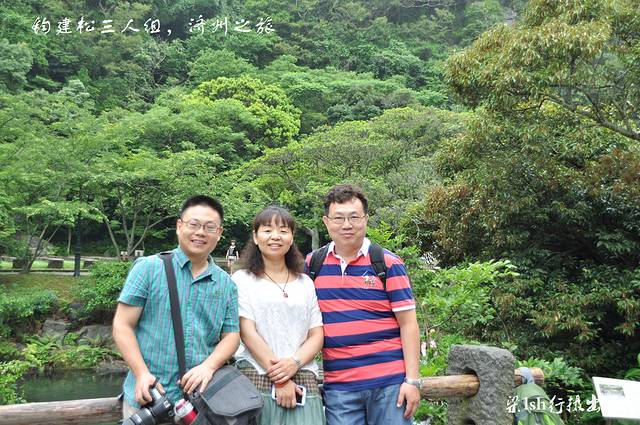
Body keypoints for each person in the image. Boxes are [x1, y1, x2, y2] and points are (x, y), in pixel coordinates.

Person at [112, 195, 240, 420]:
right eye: (194, 224)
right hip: (149, 399)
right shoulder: (148, 268)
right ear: (179, 226)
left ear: (219, 233)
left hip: (200, 402)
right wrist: (141, 373)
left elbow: (231, 335)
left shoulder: (226, 284)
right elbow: (123, 325)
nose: (201, 232)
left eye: (209, 227)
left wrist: (208, 367)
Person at [306, 184, 421, 425]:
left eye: (354, 217)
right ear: (326, 222)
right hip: (340, 387)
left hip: (389, 384)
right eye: (338, 218)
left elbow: (408, 324)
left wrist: (412, 381)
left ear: (366, 219)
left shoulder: (387, 263)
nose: (347, 225)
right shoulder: (313, 264)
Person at [233, 206, 325, 425]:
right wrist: (281, 380)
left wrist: (294, 362)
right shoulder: (242, 279)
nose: (275, 236)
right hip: (257, 377)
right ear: (256, 237)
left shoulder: (305, 283)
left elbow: (316, 334)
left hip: (303, 378)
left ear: (291, 238)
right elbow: (247, 331)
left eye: (283, 231)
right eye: (267, 230)